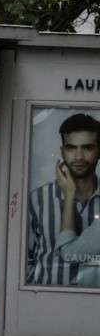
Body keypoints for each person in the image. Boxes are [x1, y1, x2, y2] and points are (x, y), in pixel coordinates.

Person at [29, 113, 100, 286]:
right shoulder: (39, 199)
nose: (78, 157)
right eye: (71, 148)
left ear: (99, 150)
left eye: (87, 148)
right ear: (62, 151)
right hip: (46, 303)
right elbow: (23, 257)